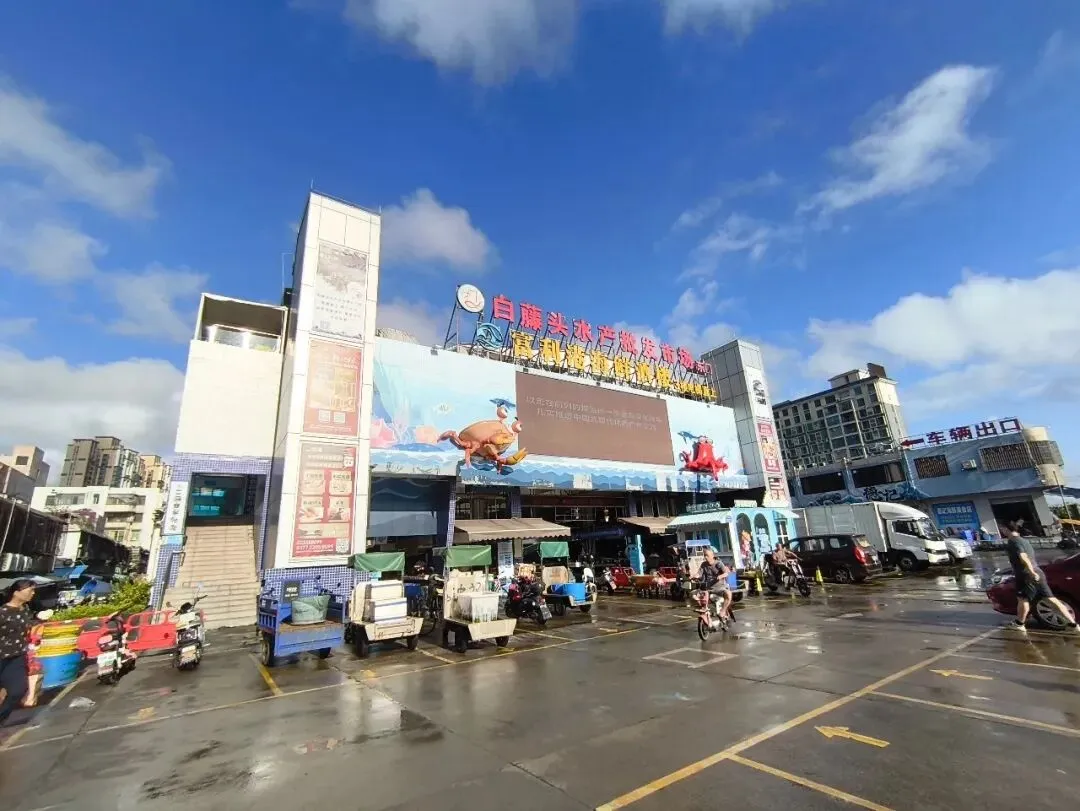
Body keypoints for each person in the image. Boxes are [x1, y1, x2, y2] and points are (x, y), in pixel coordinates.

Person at [1005, 530, 1077, 632]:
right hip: (1038, 571)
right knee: (1051, 599)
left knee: (1023, 599)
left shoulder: (1013, 542)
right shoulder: (1025, 541)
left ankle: (1019, 623)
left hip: (1026, 574)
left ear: (1006, 529)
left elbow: (1023, 557)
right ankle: (1073, 625)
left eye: (1002, 529)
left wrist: (1031, 572)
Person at [0, 579, 36, 725]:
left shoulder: (26, 610)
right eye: (30, 590)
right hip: (1, 657)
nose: (33, 594)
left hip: (17, 657)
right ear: (16, 592)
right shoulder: (2, 612)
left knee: (18, 690)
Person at [698, 548, 734, 623]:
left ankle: (722, 612)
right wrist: (694, 575)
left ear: (712, 555)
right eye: (704, 555)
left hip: (720, 588)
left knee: (728, 594)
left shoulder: (718, 563)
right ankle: (707, 618)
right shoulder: (703, 565)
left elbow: (726, 573)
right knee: (696, 596)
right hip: (708, 589)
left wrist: (721, 576)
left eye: (707, 555)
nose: (705, 557)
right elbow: (699, 574)